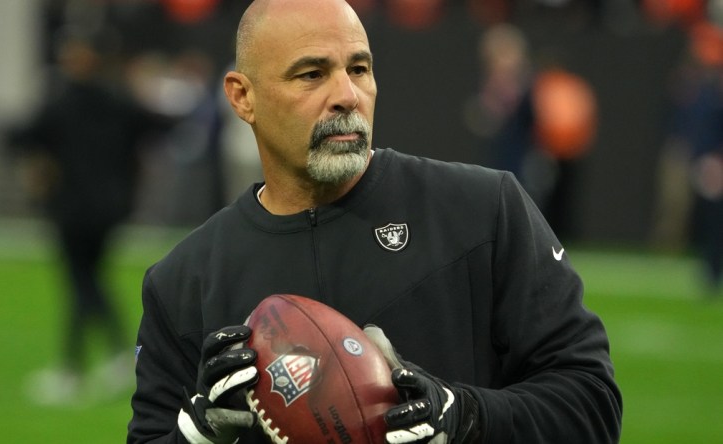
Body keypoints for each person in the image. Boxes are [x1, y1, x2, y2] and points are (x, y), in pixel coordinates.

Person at [127, 0, 622, 442]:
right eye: (311, 74)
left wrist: (465, 416)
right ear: (242, 97)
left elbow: (592, 405)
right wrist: (197, 434)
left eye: (359, 69)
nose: (346, 95)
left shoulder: (483, 210)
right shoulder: (183, 282)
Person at [9, 32, 168, 405]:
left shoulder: (62, 103)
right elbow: (160, 124)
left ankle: (83, 366)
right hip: (111, 208)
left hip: (72, 208)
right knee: (89, 279)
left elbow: (19, 138)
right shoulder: (118, 100)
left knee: (81, 282)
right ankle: (100, 361)